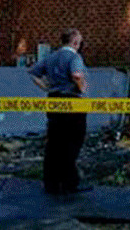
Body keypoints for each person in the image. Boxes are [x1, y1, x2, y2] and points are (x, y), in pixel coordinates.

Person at [28, 28, 92, 195]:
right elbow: (77, 74)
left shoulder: (51, 57)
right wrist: (82, 87)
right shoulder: (74, 57)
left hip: (54, 100)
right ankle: (69, 182)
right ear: (75, 42)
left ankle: (51, 183)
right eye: (80, 42)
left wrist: (46, 87)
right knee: (72, 142)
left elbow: (33, 72)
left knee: (54, 143)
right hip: (72, 101)